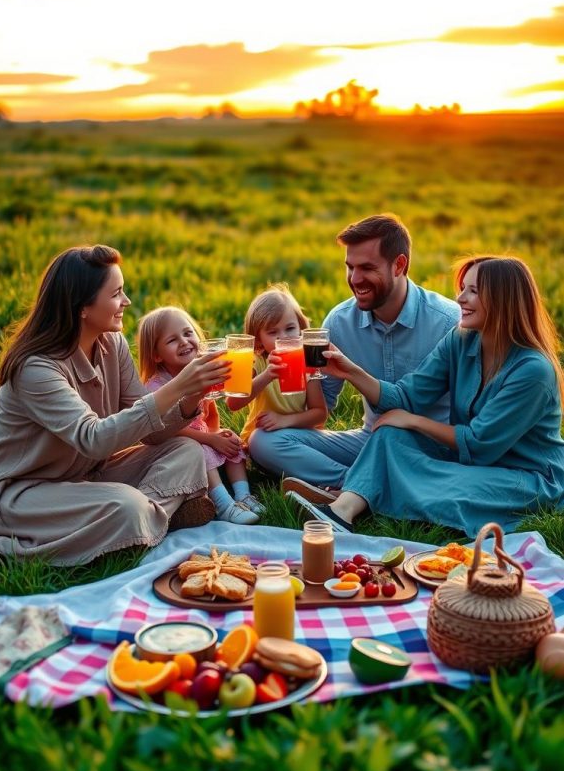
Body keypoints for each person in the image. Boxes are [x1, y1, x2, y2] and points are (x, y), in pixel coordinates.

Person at [0, 245, 231, 565]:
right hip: (21, 494)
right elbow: (94, 438)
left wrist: (194, 394)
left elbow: (150, 431)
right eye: (117, 294)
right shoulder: (36, 368)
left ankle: (136, 525)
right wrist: (180, 384)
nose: (126, 302)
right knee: (128, 507)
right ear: (82, 307)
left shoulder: (111, 343)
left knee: (187, 451)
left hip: (87, 476)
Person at [291, 256, 564, 537]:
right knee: (388, 437)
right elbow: (407, 397)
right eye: (462, 288)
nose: (460, 298)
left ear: (503, 300)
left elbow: (479, 444)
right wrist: (351, 372)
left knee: (453, 486)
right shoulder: (460, 340)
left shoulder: (533, 371)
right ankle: (341, 511)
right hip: (465, 463)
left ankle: (367, 491)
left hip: (525, 478)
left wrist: (413, 422)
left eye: (473, 291)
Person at [249, 214, 460, 495]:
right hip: (370, 441)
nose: (355, 279)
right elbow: (320, 410)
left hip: (433, 449)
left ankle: (367, 488)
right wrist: (284, 379)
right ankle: (353, 483)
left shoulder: (447, 322)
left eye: (367, 268)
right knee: (262, 442)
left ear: (399, 265)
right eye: (350, 267)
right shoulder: (339, 322)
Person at [137, 306, 261, 524]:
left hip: (202, 435)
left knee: (231, 443)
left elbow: (210, 413)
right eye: (172, 340)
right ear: (156, 355)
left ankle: (243, 496)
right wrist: (210, 439)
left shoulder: (201, 374)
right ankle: (224, 505)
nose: (184, 342)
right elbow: (171, 430)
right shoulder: (158, 386)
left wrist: (217, 433)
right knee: (201, 451)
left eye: (188, 333)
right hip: (176, 443)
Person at [226, 284, 328, 445]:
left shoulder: (307, 361)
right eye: (273, 332)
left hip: (298, 433)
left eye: (290, 328)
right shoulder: (256, 361)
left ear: (300, 329)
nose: (283, 337)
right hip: (262, 436)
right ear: (258, 338)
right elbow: (232, 403)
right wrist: (267, 375)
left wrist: (284, 420)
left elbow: (320, 414)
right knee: (261, 442)